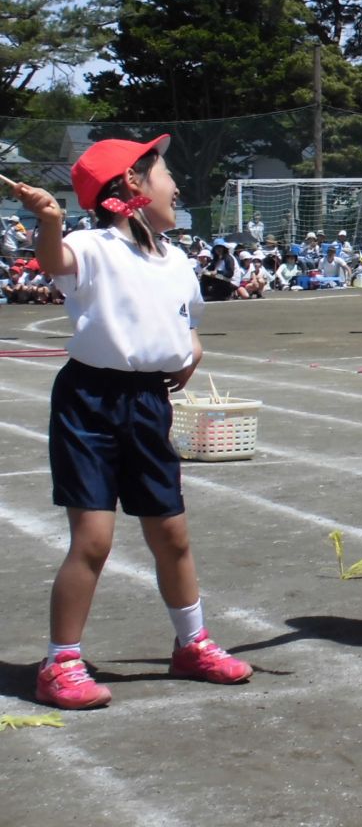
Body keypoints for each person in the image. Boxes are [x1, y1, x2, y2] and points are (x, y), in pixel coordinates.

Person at [16, 136, 252, 710]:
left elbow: (185, 320)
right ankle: (61, 662)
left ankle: (192, 643)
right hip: (91, 401)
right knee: (93, 539)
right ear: (132, 186)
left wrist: (190, 349)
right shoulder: (90, 246)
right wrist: (49, 220)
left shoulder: (174, 260)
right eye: (166, 173)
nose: (175, 186)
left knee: (171, 532)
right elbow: (53, 263)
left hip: (148, 402)